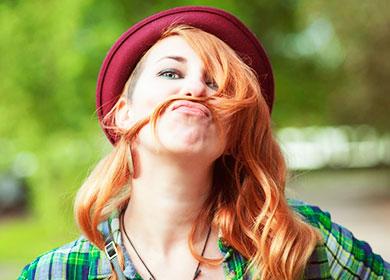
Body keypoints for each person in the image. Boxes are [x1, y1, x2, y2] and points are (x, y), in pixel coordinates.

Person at [19, 6, 389, 280]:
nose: (196, 88)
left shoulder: (298, 241)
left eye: (217, 85)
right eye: (170, 72)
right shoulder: (57, 272)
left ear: (234, 132)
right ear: (122, 113)